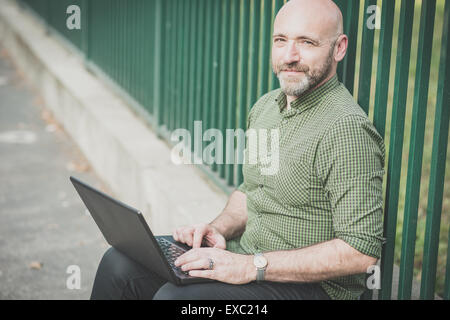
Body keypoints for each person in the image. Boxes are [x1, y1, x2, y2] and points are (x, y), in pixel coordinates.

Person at [90, 0, 385, 300]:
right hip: (249, 259)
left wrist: (250, 267)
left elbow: (360, 251)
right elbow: (250, 191)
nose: (290, 56)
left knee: (174, 300)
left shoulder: (346, 129)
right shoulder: (267, 107)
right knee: (119, 264)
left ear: (339, 48)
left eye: (307, 42)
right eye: (281, 41)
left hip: (310, 289)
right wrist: (217, 230)